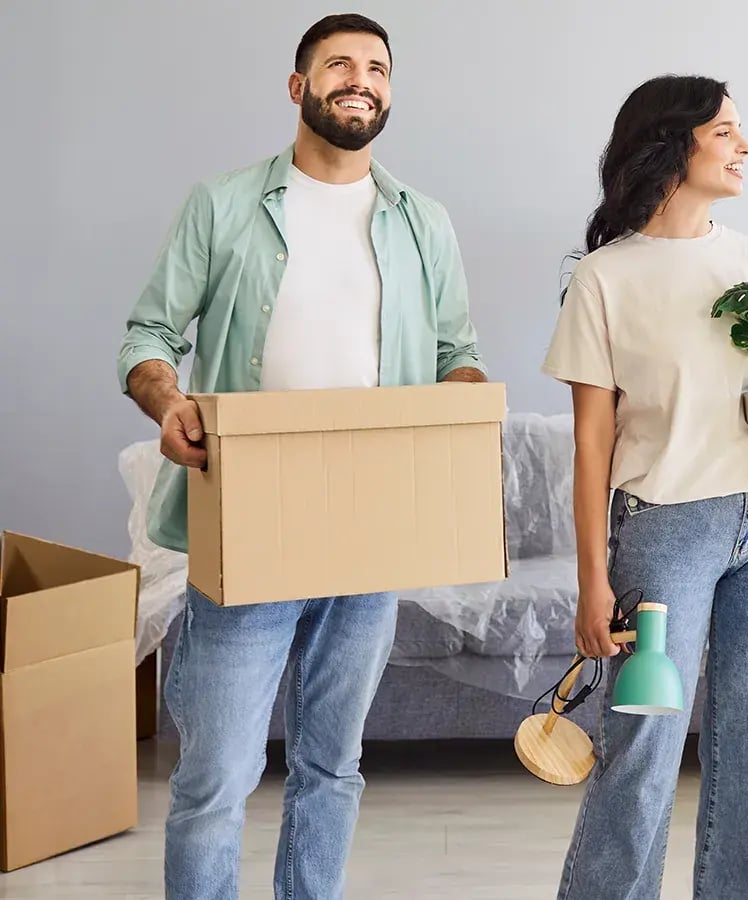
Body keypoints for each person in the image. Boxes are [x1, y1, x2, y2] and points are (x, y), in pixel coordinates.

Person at [117, 13, 486, 900]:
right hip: (248, 513)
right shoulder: (224, 203)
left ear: (388, 91)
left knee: (333, 763)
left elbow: (455, 351)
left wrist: (469, 397)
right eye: (338, 65)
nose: (360, 79)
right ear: (299, 86)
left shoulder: (422, 221)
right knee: (217, 778)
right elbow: (148, 336)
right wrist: (169, 404)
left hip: (372, 523)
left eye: (376, 68)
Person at [541, 75, 748, 899]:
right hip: (665, 530)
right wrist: (592, 580)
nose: (745, 146)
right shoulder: (604, 279)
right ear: (671, 143)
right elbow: (592, 443)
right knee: (643, 744)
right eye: (725, 132)